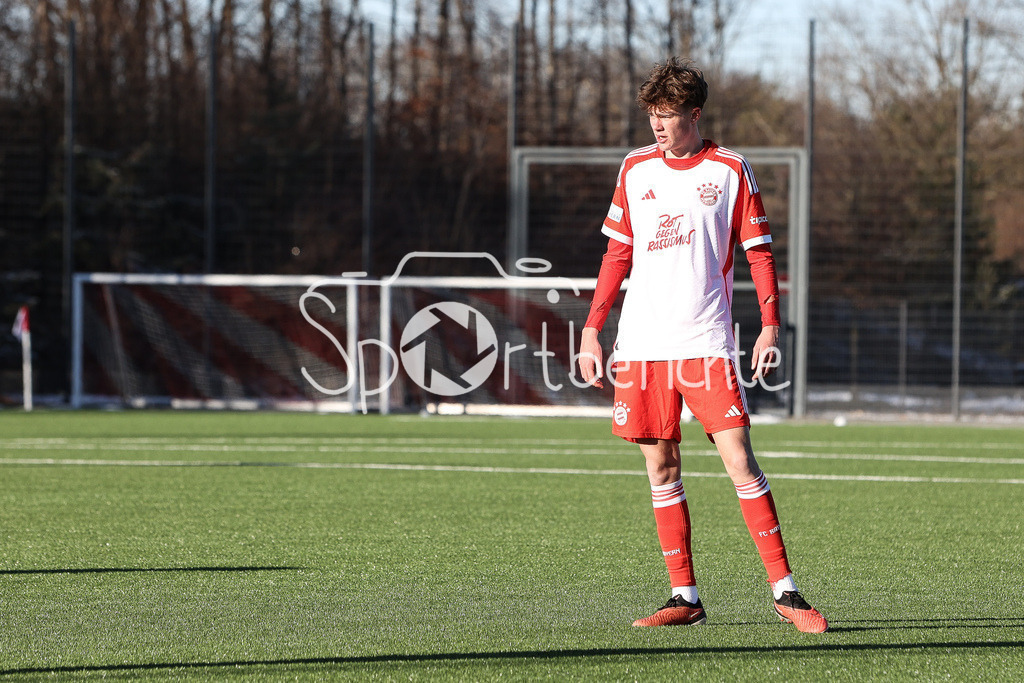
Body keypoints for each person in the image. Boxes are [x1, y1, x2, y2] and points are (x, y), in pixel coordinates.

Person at [578, 58, 828, 633]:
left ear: (694, 114)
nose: (657, 127)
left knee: (739, 458)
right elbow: (617, 254)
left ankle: (786, 592)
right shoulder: (635, 168)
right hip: (641, 344)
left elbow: (758, 251)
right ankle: (684, 596)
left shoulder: (731, 168)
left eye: (666, 116)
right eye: (651, 116)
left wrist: (769, 324)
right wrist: (593, 329)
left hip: (705, 340)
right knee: (660, 466)